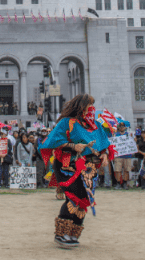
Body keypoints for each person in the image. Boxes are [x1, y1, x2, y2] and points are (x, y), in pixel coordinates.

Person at [39, 94, 111, 249]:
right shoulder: (67, 123)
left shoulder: (96, 125)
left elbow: (104, 144)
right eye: (89, 105)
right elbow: (53, 141)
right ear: (81, 106)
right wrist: (73, 146)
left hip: (89, 169)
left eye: (93, 105)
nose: (92, 108)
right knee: (73, 197)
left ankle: (73, 233)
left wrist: (104, 154)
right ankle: (61, 233)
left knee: (85, 199)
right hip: (68, 166)